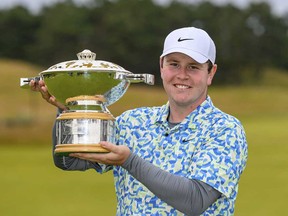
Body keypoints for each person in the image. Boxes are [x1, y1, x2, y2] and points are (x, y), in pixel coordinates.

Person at [30, 27, 248, 215]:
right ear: (162, 66)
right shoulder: (133, 121)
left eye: (193, 66)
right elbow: (70, 161)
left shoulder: (225, 129)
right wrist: (71, 111)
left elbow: (195, 200)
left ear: (211, 73)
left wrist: (129, 161)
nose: (182, 75)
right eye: (174, 64)